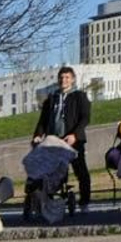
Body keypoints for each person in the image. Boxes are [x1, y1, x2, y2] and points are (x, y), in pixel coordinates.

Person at [31, 66, 91, 215]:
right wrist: (38, 135)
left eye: (67, 77)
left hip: (72, 141)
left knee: (80, 171)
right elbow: (43, 121)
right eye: (61, 77)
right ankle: (50, 202)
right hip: (55, 141)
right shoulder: (52, 98)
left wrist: (75, 135)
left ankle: (84, 202)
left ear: (73, 79)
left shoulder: (79, 96)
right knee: (53, 172)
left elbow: (85, 118)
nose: (63, 80)